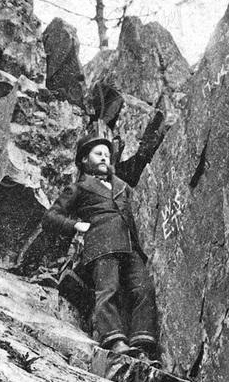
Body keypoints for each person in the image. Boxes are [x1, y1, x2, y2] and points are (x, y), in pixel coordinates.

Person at [42, 133, 159, 360]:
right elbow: (50, 217)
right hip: (101, 244)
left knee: (144, 289)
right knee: (109, 290)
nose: (105, 158)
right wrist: (76, 225)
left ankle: (142, 345)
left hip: (129, 245)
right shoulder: (78, 188)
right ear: (84, 160)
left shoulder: (121, 186)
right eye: (98, 154)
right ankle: (115, 342)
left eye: (107, 154)